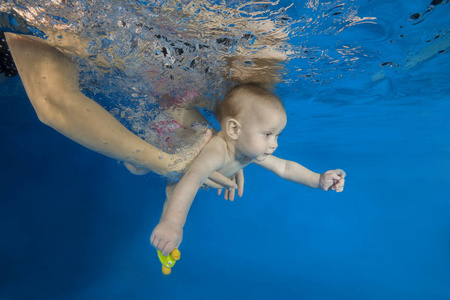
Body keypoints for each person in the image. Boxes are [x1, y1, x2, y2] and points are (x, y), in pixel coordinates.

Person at [151, 84, 346, 256]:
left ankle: (165, 241)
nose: (274, 144)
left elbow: (285, 167)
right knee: (148, 172)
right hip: (168, 142)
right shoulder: (217, 152)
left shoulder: (247, 151)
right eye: (268, 134)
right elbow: (192, 179)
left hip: (180, 164)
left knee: (170, 188)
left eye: (277, 136)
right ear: (234, 130)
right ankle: (166, 227)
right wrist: (174, 223)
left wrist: (318, 179)